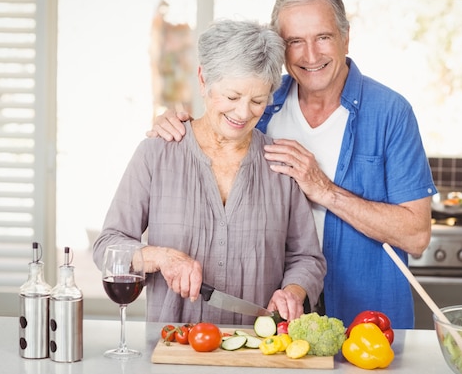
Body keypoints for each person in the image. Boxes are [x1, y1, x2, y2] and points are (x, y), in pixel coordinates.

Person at [147, 0, 437, 329]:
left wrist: (325, 190)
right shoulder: (260, 107)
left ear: (346, 36)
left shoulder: (391, 113)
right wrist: (174, 124)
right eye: (294, 41)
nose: (310, 55)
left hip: (368, 313)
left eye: (323, 37)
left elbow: (417, 235)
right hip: (279, 311)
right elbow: (218, 122)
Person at [93, 19, 327, 325]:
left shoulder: (282, 165)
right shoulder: (157, 153)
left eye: (258, 101)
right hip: (174, 351)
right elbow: (108, 245)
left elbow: (307, 258)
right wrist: (160, 256)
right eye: (231, 97)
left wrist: (293, 292)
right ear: (203, 80)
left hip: (257, 354)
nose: (243, 113)